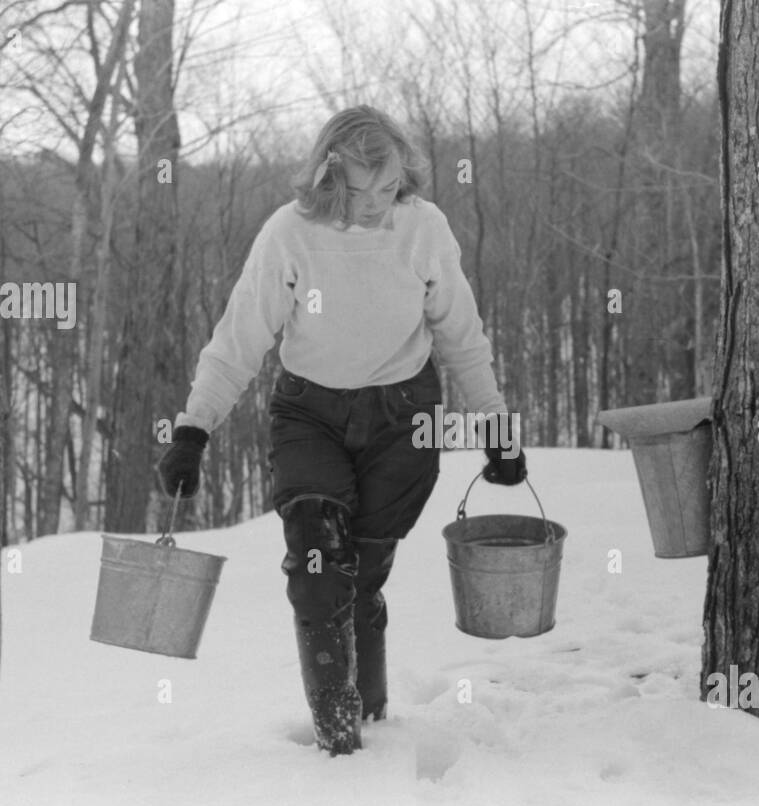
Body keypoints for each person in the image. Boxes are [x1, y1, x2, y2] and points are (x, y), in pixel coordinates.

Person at [157, 105, 526, 756]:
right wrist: (193, 428)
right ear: (330, 179)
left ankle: (372, 711)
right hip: (311, 416)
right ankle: (339, 733)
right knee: (318, 564)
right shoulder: (291, 234)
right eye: (359, 190)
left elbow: (461, 335)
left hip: (404, 418)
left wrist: (494, 422)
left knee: (361, 577)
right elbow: (240, 339)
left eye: (388, 188)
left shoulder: (423, 229)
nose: (376, 205)